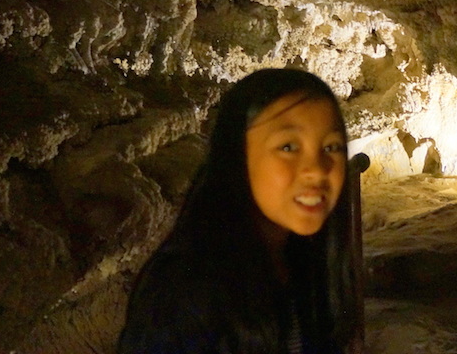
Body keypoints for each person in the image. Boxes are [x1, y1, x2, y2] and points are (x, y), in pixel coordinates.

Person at [118, 68, 355, 354]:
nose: (317, 170)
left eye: (331, 146)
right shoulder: (185, 296)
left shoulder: (306, 261)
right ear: (237, 157)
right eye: (289, 146)